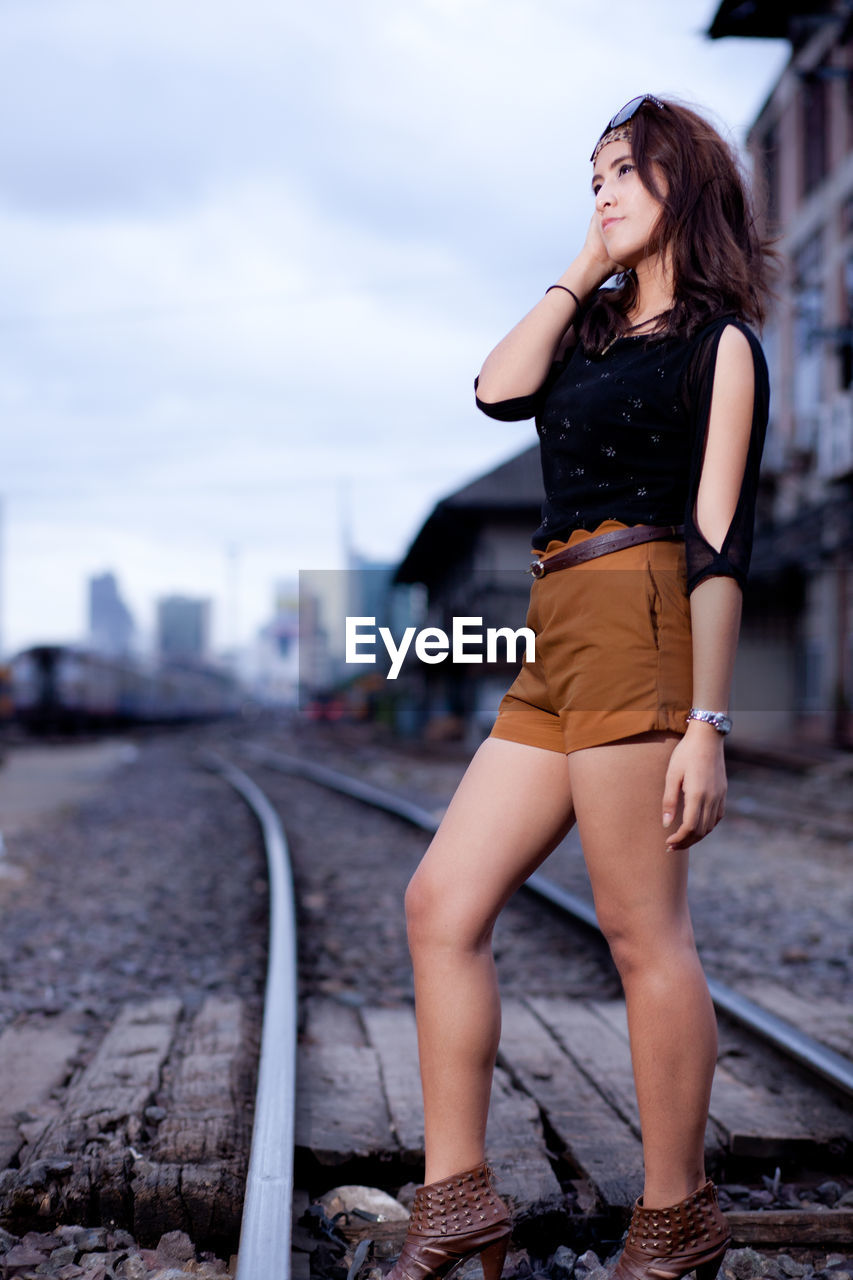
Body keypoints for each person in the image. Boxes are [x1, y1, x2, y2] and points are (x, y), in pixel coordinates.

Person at [387, 95, 772, 1280]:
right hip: (554, 632)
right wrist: (583, 266)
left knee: (639, 931)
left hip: (646, 616)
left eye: (623, 172)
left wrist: (706, 721)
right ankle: (457, 1201)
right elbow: (497, 389)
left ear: (683, 184)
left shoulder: (722, 347)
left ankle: (675, 1216)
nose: (600, 191)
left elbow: (718, 545)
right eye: (590, 175)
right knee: (438, 902)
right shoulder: (591, 332)